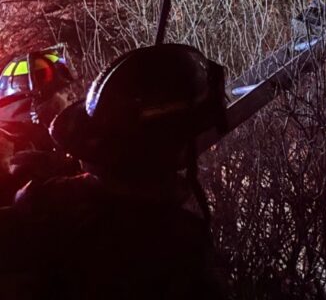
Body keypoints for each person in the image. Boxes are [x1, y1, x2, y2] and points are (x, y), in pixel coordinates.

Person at [0, 44, 228, 299]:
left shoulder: (46, 203)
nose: (62, 100)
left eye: (62, 94)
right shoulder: (181, 250)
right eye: (53, 96)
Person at [0, 48, 79, 204]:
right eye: (62, 92)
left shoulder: (39, 139)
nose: (71, 97)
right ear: (37, 105)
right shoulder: (15, 158)